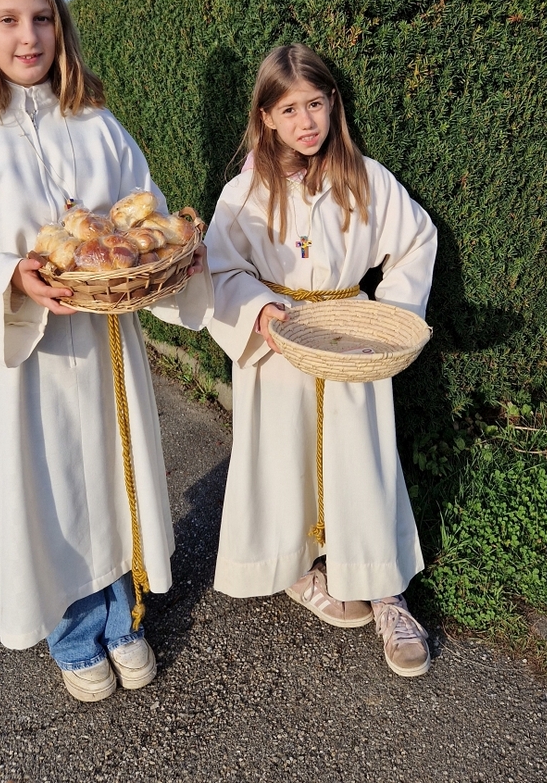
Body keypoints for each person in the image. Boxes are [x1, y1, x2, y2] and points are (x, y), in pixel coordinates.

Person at [0, 0, 212, 703]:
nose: (28, 36)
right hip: (22, 353)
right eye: (7, 19)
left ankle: (122, 617)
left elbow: (143, 212)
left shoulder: (95, 122)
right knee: (44, 492)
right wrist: (9, 274)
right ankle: (73, 634)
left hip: (102, 346)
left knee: (108, 476)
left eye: (41, 18)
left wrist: (167, 255)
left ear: (60, 27)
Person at [204, 44, 437, 677]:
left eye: (315, 103)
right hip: (278, 340)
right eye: (289, 109)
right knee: (283, 457)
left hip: (350, 340)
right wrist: (256, 307)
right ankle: (296, 567)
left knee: (362, 461)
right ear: (266, 117)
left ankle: (385, 589)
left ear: (333, 103)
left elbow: (416, 240)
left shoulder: (364, 177)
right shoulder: (247, 192)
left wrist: (388, 318)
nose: (306, 121)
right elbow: (218, 267)